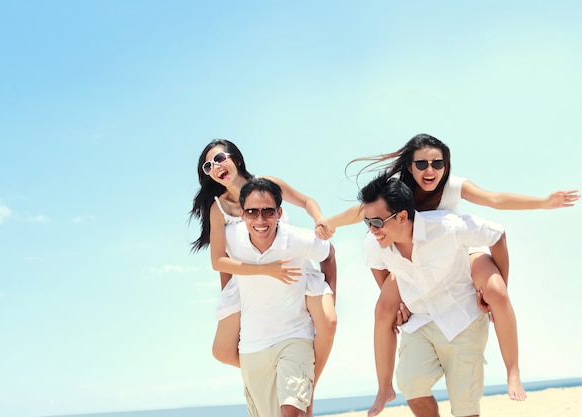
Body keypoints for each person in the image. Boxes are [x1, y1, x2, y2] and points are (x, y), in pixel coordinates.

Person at [323, 133, 580, 414]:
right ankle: (384, 387)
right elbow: (360, 215)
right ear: (409, 166)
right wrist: (327, 224)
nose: (430, 170)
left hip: (460, 254)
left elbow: (494, 199)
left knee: (495, 291)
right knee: (383, 309)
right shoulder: (392, 197)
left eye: (438, 163)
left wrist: (543, 202)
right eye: (421, 164)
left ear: (446, 165)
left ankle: (513, 370)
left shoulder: (452, 189)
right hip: (407, 259)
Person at [189, 139, 337, 415]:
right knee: (222, 351)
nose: (215, 167)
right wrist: (231, 298)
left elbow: (306, 201)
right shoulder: (218, 208)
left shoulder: (266, 184)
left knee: (328, 320)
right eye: (208, 166)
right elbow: (220, 261)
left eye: (220, 158)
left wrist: (319, 219)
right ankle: (281, 372)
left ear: (235, 158)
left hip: (288, 263)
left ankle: (305, 382)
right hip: (249, 277)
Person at [361, 173, 508, 417]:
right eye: (366, 223)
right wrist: (400, 304)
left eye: (376, 222)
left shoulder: (447, 226)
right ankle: (384, 389)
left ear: (402, 217)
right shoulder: (374, 244)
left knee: (465, 409)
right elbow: (380, 271)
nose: (371, 230)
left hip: (463, 318)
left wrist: (499, 289)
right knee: (412, 387)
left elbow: (497, 234)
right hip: (419, 320)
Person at [226, 177, 336, 417]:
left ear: (279, 212)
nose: (260, 220)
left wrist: (328, 295)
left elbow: (329, 254)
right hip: (252, 346)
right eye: (252, 212)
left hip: (295, 336)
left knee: (291, 411)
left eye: (268, 212)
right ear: (242, 214)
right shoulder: (231, 237)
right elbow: (222, 265)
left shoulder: (299, 239)